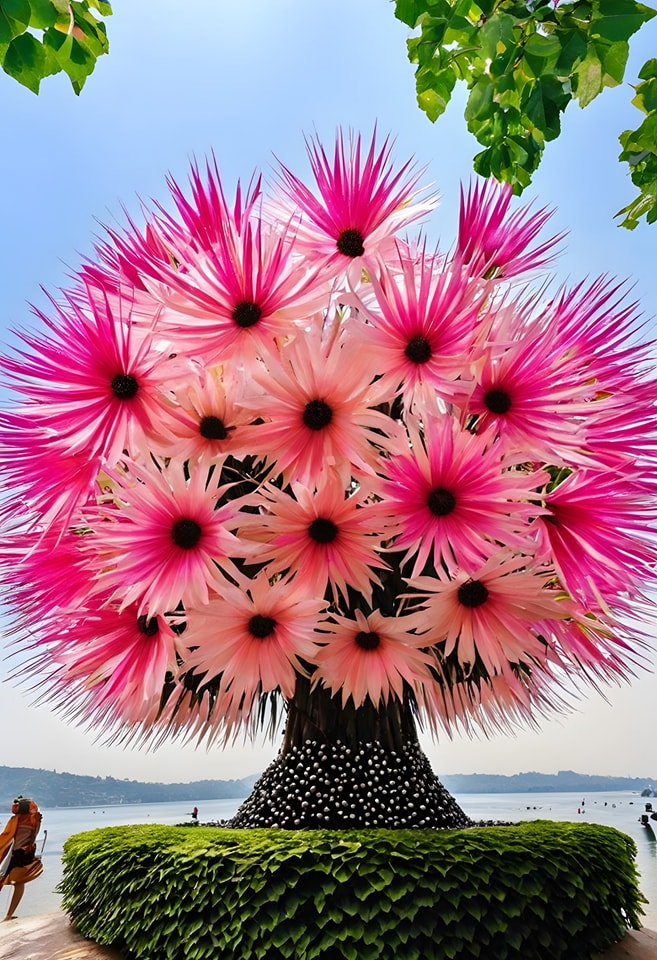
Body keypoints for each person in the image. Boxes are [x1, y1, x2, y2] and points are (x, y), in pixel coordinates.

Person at [0, 797, 43, 921]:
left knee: (6, 880)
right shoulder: (34, 820)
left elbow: (6, 836)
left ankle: (8, 915)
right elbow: (33, 837)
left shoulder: (16, 820)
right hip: (26, 854)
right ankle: (8, 915)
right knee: (18, 884)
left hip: (15, 855)